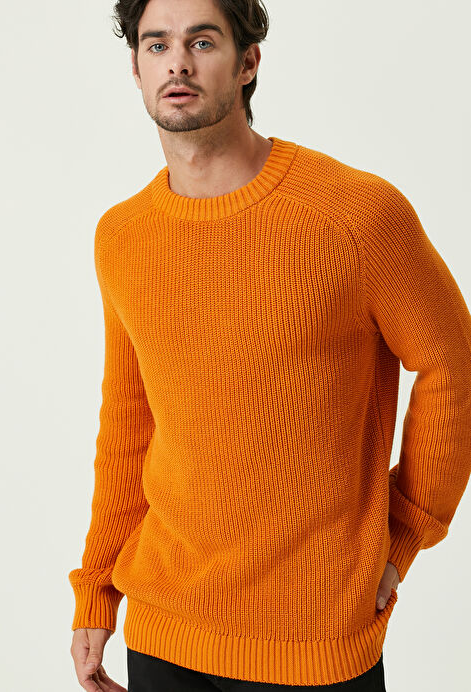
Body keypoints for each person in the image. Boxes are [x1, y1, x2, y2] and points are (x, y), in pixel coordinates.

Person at [68, 1, 471, 690]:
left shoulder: (355, 214)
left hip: (315, 636)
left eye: (202, 42)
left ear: (248, 62)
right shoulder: (123, 236)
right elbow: (129, 422)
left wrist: (404, 530)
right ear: (135, 67)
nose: (177, 63)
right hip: (163, 626)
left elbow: (452, 362)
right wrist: (97, 588)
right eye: (157, 45)